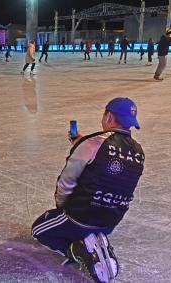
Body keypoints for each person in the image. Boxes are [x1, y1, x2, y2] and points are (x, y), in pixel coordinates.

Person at [32, 97, 145, 283]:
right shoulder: (139, 152)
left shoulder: (92, 143)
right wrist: (81, 143)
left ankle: (79, 249)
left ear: (109, 116)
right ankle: (96, 240)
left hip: (80, 217)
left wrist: (62, 208)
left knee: (39, 230)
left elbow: (66, 181)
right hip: (111, 222)